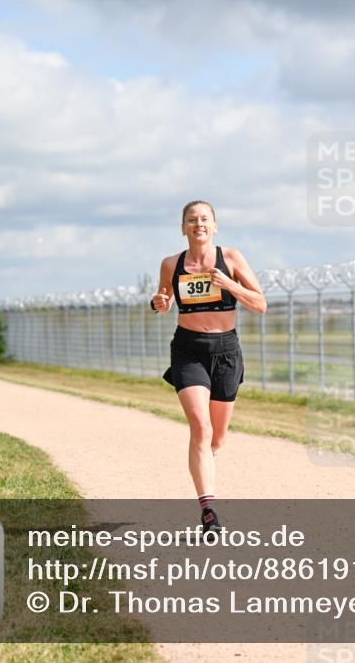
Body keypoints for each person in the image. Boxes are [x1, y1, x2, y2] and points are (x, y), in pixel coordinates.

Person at [151, 200, 266, 535]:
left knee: (216, 437)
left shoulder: (231, 258)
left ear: (214, 225)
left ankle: (205, 464)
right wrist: (159, 302)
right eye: (191, 219)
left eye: (204, 219)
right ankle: (209, 512)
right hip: (188, 350)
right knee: (200, 428)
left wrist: (227, 283)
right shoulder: (171, 264)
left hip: (226, 350)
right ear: (183, 227)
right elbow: (163, 299)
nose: (198, 224)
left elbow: (260, 304)